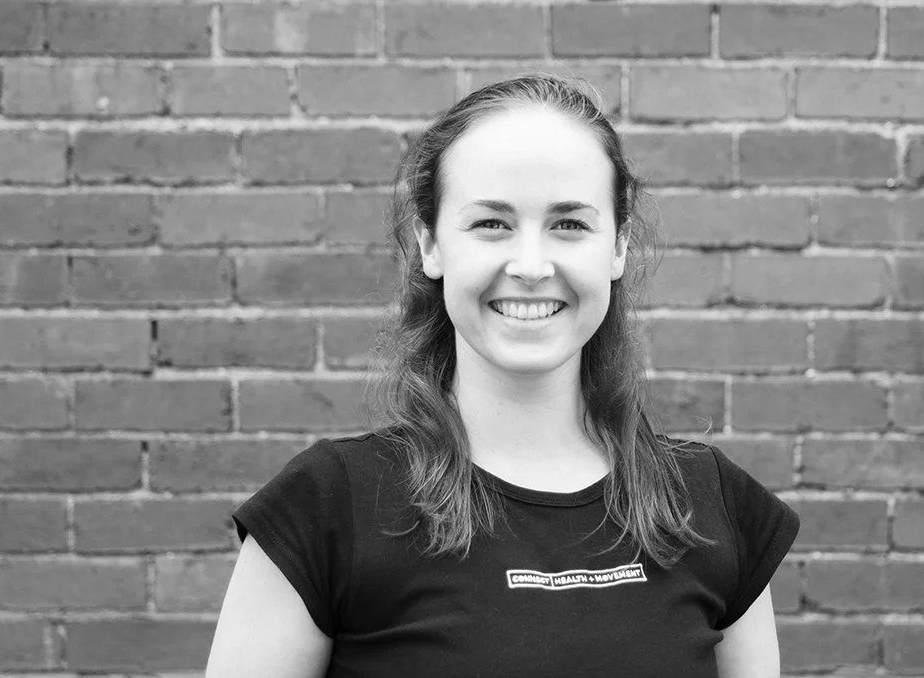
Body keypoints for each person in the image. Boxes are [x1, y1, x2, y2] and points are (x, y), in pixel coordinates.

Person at [206, 73, 800, 678]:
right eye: (492, 223)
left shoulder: (713, 507)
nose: (532, 265)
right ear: (430, 244)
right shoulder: (328, 508)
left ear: (618, 246)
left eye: (569, 224)